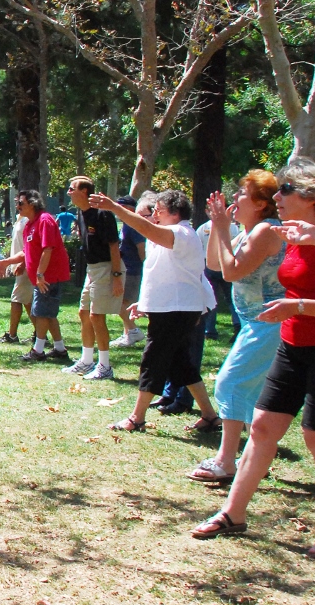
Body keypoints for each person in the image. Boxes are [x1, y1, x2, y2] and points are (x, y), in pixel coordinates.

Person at [191, 159, 315, 556]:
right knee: (264, 428)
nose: (277, 199)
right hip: (291, 340)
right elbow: (224, 268)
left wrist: (298, 305)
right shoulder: (295, 234)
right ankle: (233, 514)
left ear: (310, 196)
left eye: (284, 191)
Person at [88, 189, 220, 433]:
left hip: (179, 310)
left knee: (153, 360)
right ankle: (210, 416)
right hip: (172, 308)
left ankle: (137, 418)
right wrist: (145, 302)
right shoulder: (166, 235)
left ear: (174, 212)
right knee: (182, 364)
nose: (154, 216)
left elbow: (151, 232)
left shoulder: (181, 232)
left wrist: (116, 209)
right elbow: (163, 274)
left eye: (158, 211)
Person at [187, 173, 285, 483]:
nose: (234, 199)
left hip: (269, 322)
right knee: (253, 394)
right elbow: (215, 264)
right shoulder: (249, 231)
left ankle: (226, 461)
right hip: (255, 322)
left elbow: (230, 273)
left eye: (241, 194)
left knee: (230, 384)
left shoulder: (266, 231)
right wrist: (220, 228)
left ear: (259, 203)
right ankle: (257, 459)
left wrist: (220, 228)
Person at [62, 177, 124, 380]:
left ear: (85, 192)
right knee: (84, 313)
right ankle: (87, 361)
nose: (69, 192)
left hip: (106, 269)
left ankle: (105, 366)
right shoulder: (81, 213)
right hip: (92, 269)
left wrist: (116, 276)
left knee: (97, 316)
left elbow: (114, 246)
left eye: (72, 189)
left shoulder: (102, 214)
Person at [0, 191, 71, 362]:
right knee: (48, 313)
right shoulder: (30, 225)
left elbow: (48, 248)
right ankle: (60, 349)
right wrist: (8, 262)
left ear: (32, 204)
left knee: (41, 314)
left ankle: (38, 351)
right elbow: (27, 252)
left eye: (21, 203)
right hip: (41, 277)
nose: (17, 207)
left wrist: (40, 274)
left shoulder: (44, 220)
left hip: (48, 277)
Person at [112, 194, 151, 347]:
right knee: (125, 303)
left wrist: (147, 268)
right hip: (126, 269)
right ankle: (128, 334)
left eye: (119, 207)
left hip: (132, 270)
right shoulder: (126, 225)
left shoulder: (132, 226)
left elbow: (141, 248)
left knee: (120, 303)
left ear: (128, 209)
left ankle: (134, 331)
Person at [197, 215, 242, 339]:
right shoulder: (204, 228)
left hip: (225, 265)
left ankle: (236, 326)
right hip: (210, 266)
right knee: (214, 298)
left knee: (229, 297)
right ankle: (211, 329)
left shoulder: (232, 228)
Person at [0, 212, 32, 343]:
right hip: (21, 267)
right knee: (27, 302)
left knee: (17, 299)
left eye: (20, 201)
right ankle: (40, 335)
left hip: (26, 267)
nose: (17, 204)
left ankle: (12, 335)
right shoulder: (19, 219)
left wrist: (22, 263)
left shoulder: (28, 220)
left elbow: (30, 246)